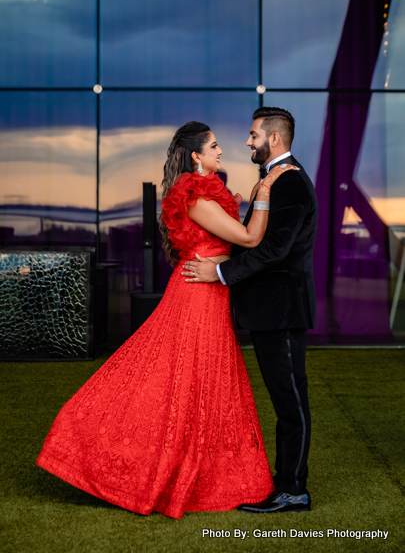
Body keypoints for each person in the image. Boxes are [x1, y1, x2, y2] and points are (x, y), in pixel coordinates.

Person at [36, 121, 297, 519]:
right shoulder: (193, 193)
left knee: (197, 381)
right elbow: (249, 241)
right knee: (176, 378)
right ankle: (92, 440)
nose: (221, 151)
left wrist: (226, 251)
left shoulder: (205, 193)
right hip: (197, 296)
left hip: (207, 291)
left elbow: (223, 247)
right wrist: (264, 193)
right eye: (213, 146)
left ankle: (194, 468)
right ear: (197, 156)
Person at [182, 108, 318, 513]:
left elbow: (275, 249)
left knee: (290, 399)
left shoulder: (289, 181)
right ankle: (285, 483)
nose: (247, 141)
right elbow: (257, 241)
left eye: (253, 134)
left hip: (282, 310)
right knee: (283, 396)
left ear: (273, 139)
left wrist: (221, 272)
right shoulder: (271, 179)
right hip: (268, 310)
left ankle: (294, 489)